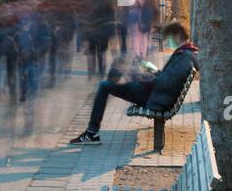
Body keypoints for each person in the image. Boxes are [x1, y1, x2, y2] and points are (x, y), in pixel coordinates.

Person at [70, 22, 199, 145]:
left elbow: (164, 83)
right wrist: (149, 70)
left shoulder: (184, 58)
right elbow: (166, 79)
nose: (168, 42)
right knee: (118, 69)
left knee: (105, 85)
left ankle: (92, 132)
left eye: (169, 38)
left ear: (176, 35)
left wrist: (139, 76)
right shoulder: (185, 54)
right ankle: (108, 92)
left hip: (154, 98)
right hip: (155, 94)